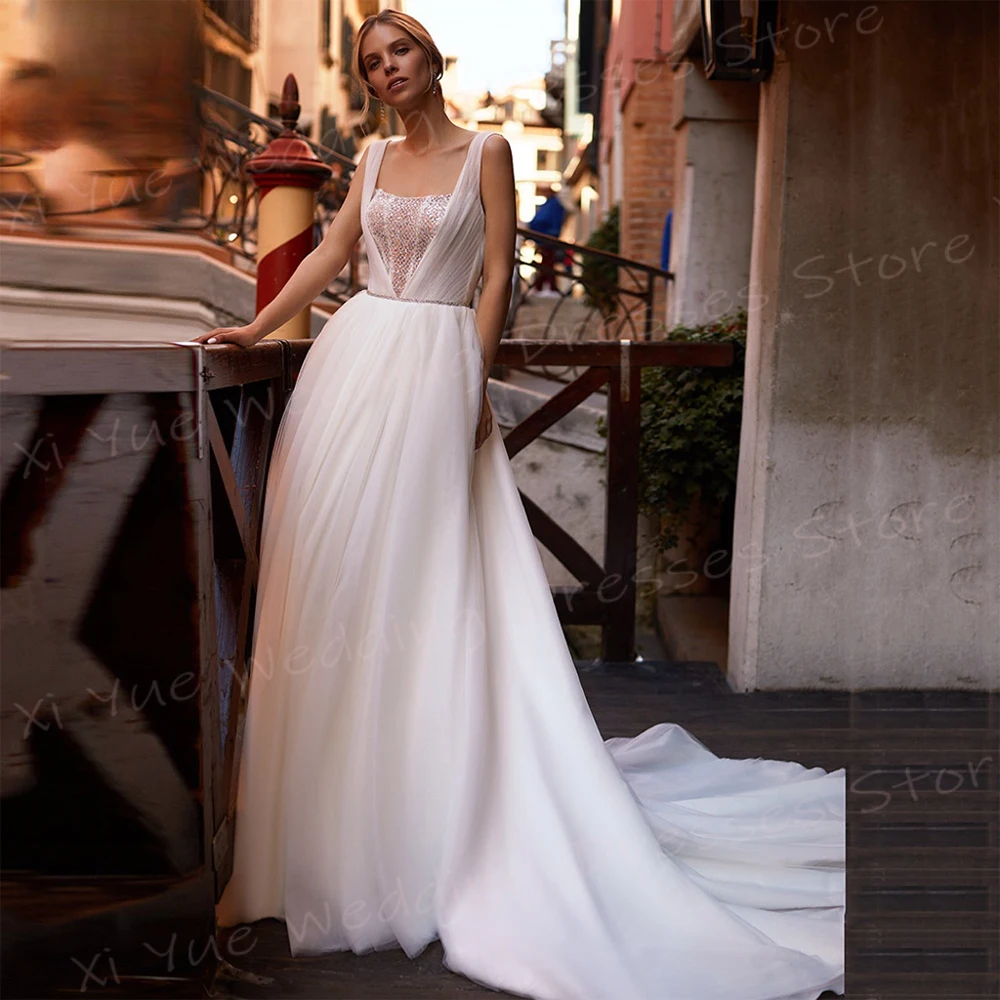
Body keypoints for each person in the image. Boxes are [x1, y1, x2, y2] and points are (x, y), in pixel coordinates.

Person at [191, 12, 845, 1000]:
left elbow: (498, 275)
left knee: (426, 594)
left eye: (396, 52)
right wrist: (257, 321)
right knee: (334, 594)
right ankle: (311, 849)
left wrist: (468, 383)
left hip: (434, 370)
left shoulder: (488, 152)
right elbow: (328, 259)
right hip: (349, 374)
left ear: (428, 57)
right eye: (370, 64)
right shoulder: (366, 160)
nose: (384, 71)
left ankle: (433, 817)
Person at [527, 183, 566, 295]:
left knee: (547, 264)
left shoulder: (553, 205)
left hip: (547, 238)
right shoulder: (550, 204)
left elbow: (545, 220)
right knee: (546, 264)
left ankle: (546, 288)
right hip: (545, 238)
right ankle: (543, 287)